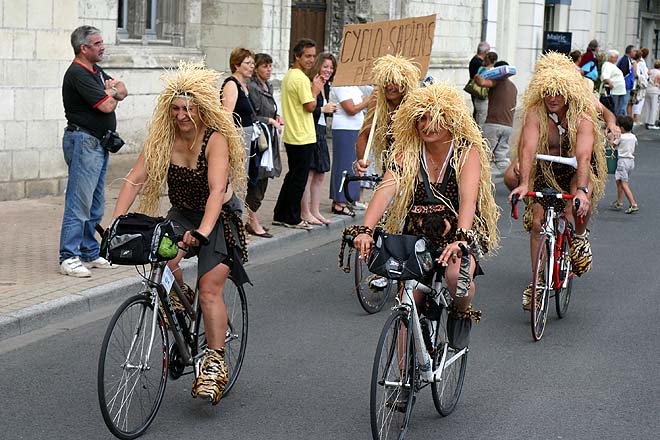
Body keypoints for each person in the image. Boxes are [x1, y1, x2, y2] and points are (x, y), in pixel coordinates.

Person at [111, 61, 248, 405]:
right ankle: (177, 299)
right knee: (163, 262)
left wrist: (202, 232)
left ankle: (215, 362)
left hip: (217, 219)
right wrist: (116, 222)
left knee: (208, 289)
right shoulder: (163, 138)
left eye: (188, 109)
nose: (181, 115)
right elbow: (135, 177)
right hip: (183, 214)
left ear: (201, 109)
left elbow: (217, 191)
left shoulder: (214, 139)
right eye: (175, 108)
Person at [353, 83, 500, 349]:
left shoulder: (466, 152)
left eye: (434, 117)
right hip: (416, 236)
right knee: (406, 302)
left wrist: (462, 239)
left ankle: (460, 312)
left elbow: (468, 201)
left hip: (457, 232)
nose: (426, 124)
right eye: (421, 118)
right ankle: (400, 382)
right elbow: (384, 192)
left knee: (457, 279)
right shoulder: (406, 154)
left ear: (450, 119)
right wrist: (365, 230)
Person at [508, 52, 608, 310]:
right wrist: (523, 183)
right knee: (538, 225)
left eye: (558, 92)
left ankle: (579, 235)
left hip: (577, 170)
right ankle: (539, 280)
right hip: (547, 168)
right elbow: (528, 148)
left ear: (568, 92)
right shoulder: (535, 112)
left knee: (577, 203)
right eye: (548, 92)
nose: (552, 97)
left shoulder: (583, 116)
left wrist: (583, 191)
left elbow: (584, 157)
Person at [59, 25, 128, 277]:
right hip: (83, 142)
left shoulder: (95, 71)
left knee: (96, 202)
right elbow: (106, 106)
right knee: (79, 202)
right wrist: (111, 92)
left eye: (102, 42)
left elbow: (122, 89)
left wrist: (113, 91)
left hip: (99, 143)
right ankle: (68, 256)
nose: (103, 47)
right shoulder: (78, 73)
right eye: (97, 43)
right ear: (83, 48)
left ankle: (89, 251)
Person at [273, 38, 324, 230]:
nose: (311, 60)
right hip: (301, 135)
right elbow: (310, 106)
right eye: (307, 56)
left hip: (293, 134)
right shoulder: (301, 78)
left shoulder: (289, 75)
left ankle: (280, 213)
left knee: (292, 177)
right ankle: (292, 217)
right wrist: (316, 90)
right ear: (297, 56)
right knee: (298, 179)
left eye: (313, 56)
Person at [354, 54, 421, 175]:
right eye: (386, 81)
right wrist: (361, 160)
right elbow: (365, 134)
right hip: (389, 162)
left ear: (405, 83)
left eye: (394, 82)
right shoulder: (377, 101)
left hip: (415, 162)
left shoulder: (415, 103)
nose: (389, 86)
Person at [246, 53, 284, 238]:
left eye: (270, 66)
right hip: (258, 140)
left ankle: (252, 218)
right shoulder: (252, 87)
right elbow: (251, 116)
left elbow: (270, 109)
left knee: (264, 179)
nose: (268, 69)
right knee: (257, 178)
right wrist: (269, 119)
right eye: (264, 66)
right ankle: (252, 220)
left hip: (268, 138)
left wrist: (276, 117)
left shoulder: (266, 85)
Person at [301, 52, 337, 225]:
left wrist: (329, 110)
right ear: (318, 66)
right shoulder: (311, 83)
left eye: (331, 67)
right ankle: (305, 211)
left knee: (320, 173)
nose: (328, 70)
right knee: (309, 173)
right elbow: (307, 107)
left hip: (321, 129)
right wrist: (324, 109)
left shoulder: (326, 85)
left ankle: (315, 210)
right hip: (311, 129)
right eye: (325, 66)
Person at [329, 83, 373, 217]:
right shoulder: (341, 86)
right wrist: (368, 100)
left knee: (353, 165)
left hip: (355, 127)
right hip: (344, 128)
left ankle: (348, 198)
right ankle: (339, 202)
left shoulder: (354, 87)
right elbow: (351, 109)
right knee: (343, 165)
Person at [474, 60, 518, 176]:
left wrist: (477, 76)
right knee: (501, 156)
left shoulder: (496, 81)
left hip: (493, 124)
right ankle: (510, 177)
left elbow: (482, 83)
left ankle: (480, 181)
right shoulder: (513, 86)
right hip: (508, 126)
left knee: (485, 155)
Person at [221, 48, 255, 179]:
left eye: (253, 63)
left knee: (242, 176)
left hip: (246, 134)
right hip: (238, 135)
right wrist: (235, 144)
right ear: (236, 65)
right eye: (248, 63)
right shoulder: (231, 84)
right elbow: (227, 114)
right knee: (235, 176)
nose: (252, 67)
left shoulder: (243, 85)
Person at [610, 115, 639, 214]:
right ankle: (619, 201)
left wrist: (613, 136)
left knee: (624, 183)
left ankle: (633, 204)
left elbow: (612, 145)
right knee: (619, 181)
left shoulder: (621, 137)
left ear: (621, 128)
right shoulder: (633, 137)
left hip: (622, 161)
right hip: (631, 162)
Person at [468, 41, 491, 125]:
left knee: (477, 111)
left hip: (476, 88)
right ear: (485, 52)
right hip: (478, 89)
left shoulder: (475, 60)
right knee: (479, 112)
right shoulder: (478, 62)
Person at [601, 50, 627, 116]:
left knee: (619, 109)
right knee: (614, 109)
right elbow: (605, 76)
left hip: (619, 91)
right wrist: (610, 83)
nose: (617, 59)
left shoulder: (612, 65)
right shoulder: (607, 65)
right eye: (616, 57)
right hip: (614, 91)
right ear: (611, 57)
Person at [616, 45, 637, 115]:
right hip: (625, 86)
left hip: (626, 86)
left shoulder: (628, 60)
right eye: (634, 51)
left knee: (622, 105)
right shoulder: (625, 60)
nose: (635, 53)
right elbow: (623, 73)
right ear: (630, 51)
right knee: (622, 106)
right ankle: (621, 122)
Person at [631, 48, 650, 125]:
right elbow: (641, 73)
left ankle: (634, 117)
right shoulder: (640, 62)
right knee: (637, 100)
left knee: (636, 100)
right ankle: (635, 117)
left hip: (638, 82)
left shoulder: (639, 61)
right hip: (639, 84)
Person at [642, 59, 660, 129]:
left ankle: (647, 121)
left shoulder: (650, 71)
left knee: (648, 106)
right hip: (655, 91)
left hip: (648, 89)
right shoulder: (659, 72)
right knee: (654, 107)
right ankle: (651, 123)